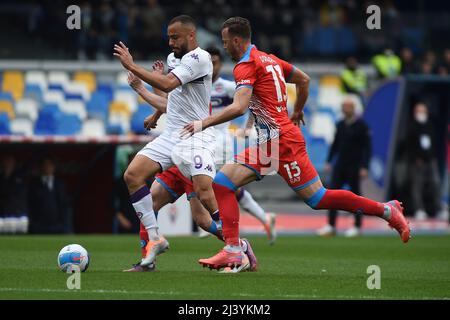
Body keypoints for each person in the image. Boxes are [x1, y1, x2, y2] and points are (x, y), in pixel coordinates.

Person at [182, 17, 410, 271]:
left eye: (225, 43)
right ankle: (234, 250)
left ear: (237, 41)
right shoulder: (270, 59)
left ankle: (386, 211)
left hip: (280, 143)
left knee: (318, 198)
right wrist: (297, 110)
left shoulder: (245, 65)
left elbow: (239, 106)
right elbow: (304, 80)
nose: (224, 48)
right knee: (223, 184)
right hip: (275, 141)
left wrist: (204, 122)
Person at [113, 15, 251, 267]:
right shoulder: (173, 59)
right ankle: (153, 243)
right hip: (171, 136)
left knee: (204, 203)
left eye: (175, 37)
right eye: (168, 37)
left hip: (195, 138)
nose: (170, 42)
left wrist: (132, 66)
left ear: (191, 35)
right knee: (133, 176)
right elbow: (174, 97)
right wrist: (156, 113)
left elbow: (167, 83)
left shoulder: (200, 59)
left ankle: (238, 246)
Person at [317, 96, 372, 237]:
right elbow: (335, 144)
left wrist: (364, 166)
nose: (345, 109)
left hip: (355, 165)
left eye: (347, 106)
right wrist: (329, 161)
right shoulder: (340, 124)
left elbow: (367, 148)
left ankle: (357, 225)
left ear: (353, 108)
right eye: (343, 106)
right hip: (341, 165)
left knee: (356, 196)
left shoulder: (362, 126)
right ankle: (331, 225)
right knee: (332, 195)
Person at [407, 102, 445, 221]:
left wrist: (433, 156)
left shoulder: (430, 125)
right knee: (417, 185)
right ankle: (419, 209)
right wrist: (415, 158)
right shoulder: (411, 126)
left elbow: (434, 143)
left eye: (423, 111)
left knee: (436, 183)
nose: (421, 114)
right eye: (419, 111)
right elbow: (409, 146)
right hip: (417, 161)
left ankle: (439, 209)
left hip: (430, 159)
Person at [28, 157, 70, 234]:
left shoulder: (60, 184)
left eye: (50, 165)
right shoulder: (33, 184)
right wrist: (33, 225)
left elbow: (65, 206)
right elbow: (29, 205)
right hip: (39, 226)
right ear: (40, 167)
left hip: (57, 226)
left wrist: (65, 226)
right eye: (45, 165)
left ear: (54, 167)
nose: (47, 167)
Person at [0, 155, 28, 234]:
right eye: (6, 161)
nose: (8, 163)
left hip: (18, 214)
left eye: (10, 161)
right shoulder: (1, 177)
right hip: (3, 215)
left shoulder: (20, 177)